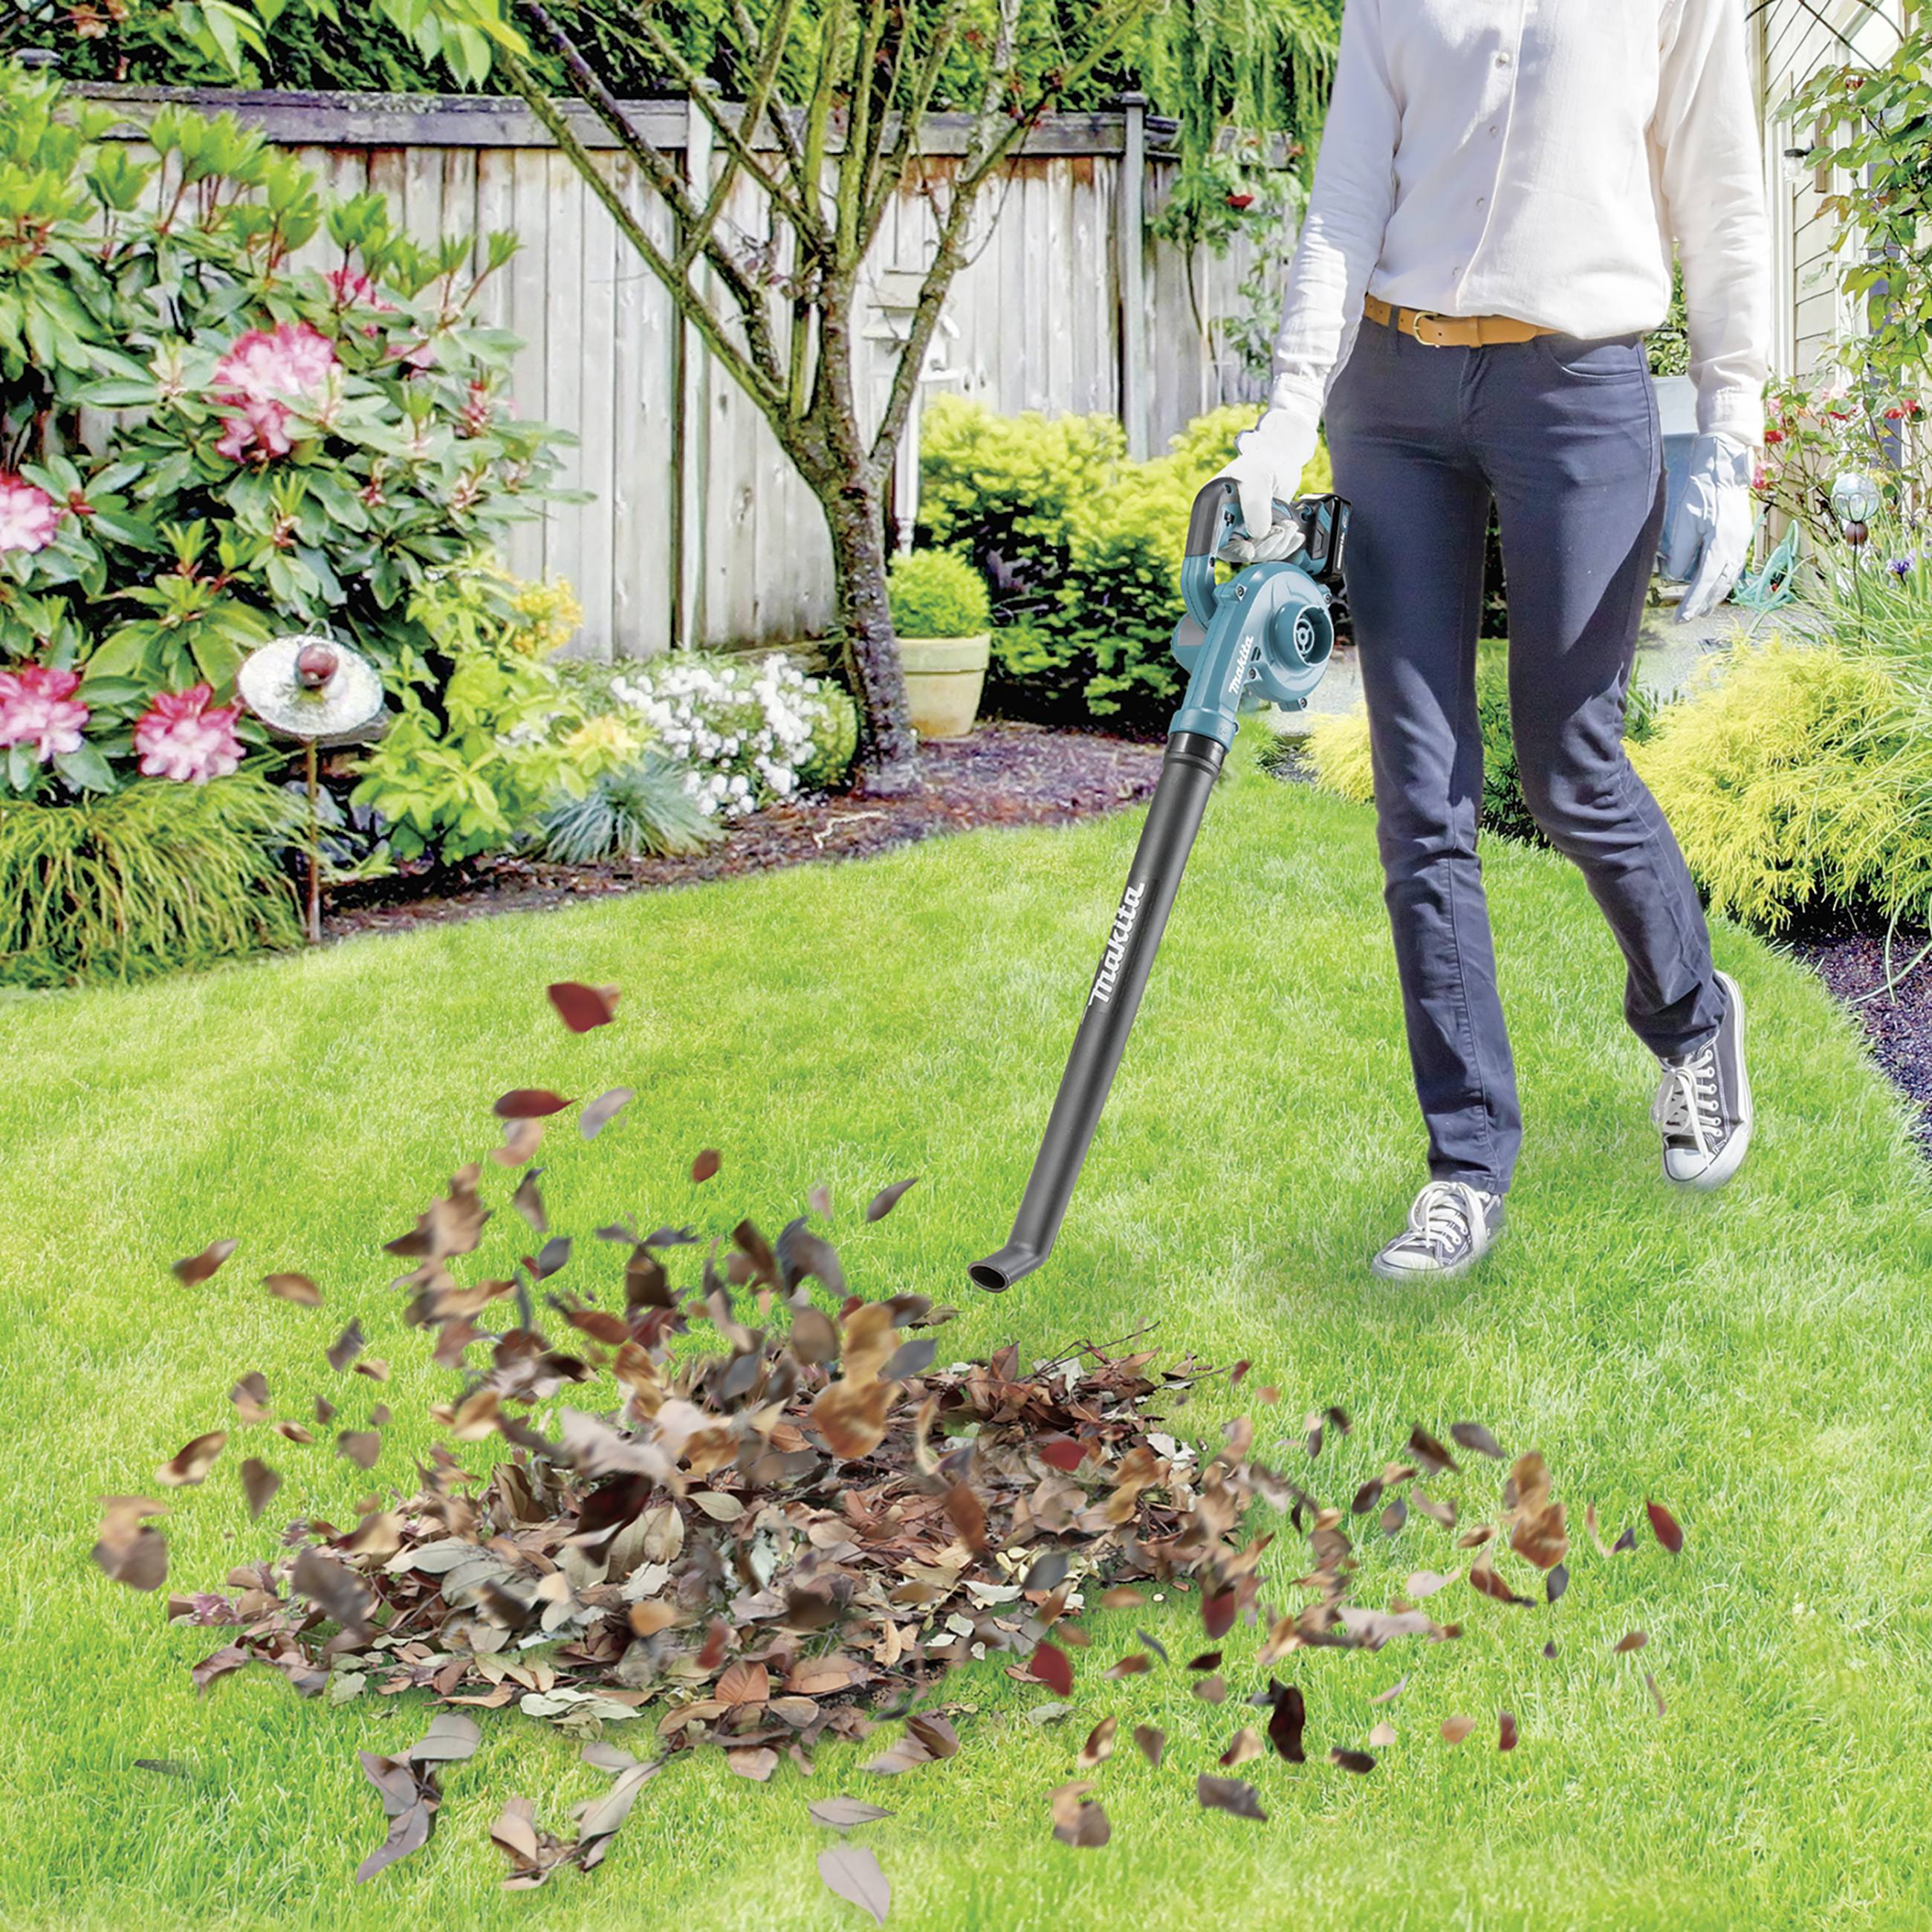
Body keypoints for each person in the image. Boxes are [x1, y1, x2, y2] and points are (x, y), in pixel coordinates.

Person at [1218, 0, 1769, 1280]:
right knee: (1421, 791)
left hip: (1576, 389)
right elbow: (1344, 205)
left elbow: (1724, 202)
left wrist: (1733, 434)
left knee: (1568, 764)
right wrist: (1281, 422)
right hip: (1392, 391)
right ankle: (1465, 1168)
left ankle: (1691, 1020)